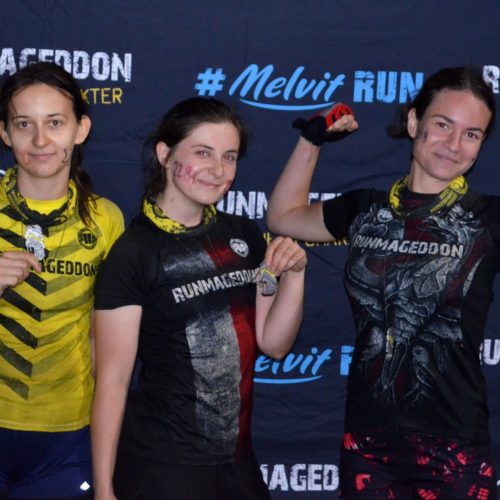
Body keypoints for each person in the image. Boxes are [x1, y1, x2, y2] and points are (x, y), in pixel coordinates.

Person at [266, 66, 498, 498]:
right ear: (413, 122)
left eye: (472, 134)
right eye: (442, 125)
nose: (454, 144)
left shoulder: (489, 219)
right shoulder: (366, 210)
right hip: (368, 445)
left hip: (455, 450)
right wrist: (312, 140)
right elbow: (282, 217)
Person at [91, 96, 307, 500]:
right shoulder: (133, 253)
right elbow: (113, 382)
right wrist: (104, 489)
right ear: (165, 154)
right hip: (163, 466)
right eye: (203, 153)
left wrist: (294, 276)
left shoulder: (245, 235)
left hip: (236, 464)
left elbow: (273, 343)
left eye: (229, 156)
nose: (218, 170)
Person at [0, 62, 124, 499]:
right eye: (24, 124)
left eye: (55, 123)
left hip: (66, 436)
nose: (39, 141)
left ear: (80, 129)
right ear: (5, 133)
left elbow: (107, 346)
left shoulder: (106, 220)